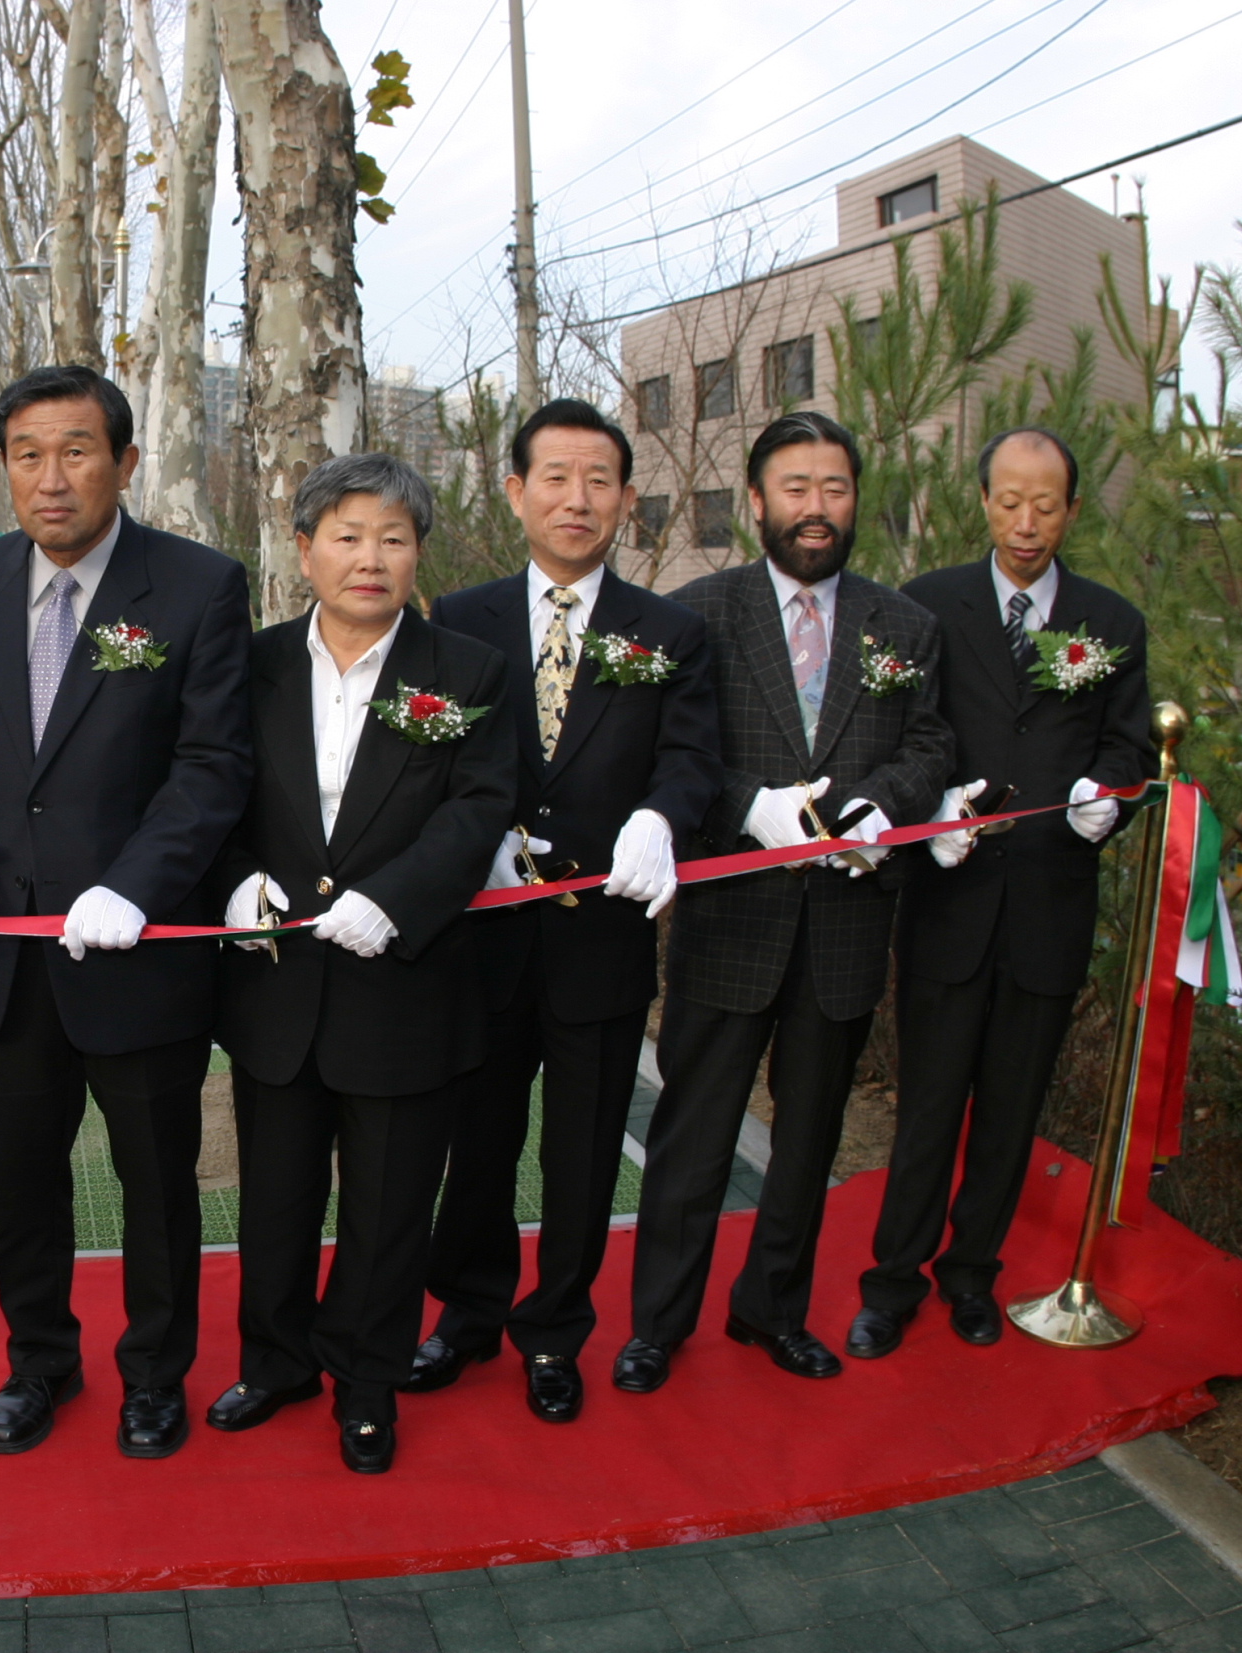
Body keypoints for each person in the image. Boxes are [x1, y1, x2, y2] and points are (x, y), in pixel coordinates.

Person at [0, 364, 253, 1459]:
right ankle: (39, 1363)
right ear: (4, 466)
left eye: (75, 451)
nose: (50, 478)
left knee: (154, 1182)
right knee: (19, 1179)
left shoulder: (197, 586)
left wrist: (134, 883)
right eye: (27, 454)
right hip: (8, 953)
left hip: (138, 953)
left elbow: (211, 766)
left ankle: (154, 1374)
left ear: (125, 461)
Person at [619, 412, 951, 1391]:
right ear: (757, 501)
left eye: (834, 489)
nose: (816, 508)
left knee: (807, 1137)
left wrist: (882, 803)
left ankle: (772, 1308)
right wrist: (743, 806)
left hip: (844, 926)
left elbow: (929, 743)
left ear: (855, 502)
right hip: (731, 922)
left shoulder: (903, 626)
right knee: (692, 1136)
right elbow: (668, 751)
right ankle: (656, 1324)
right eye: (796, 489)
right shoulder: (695, 615)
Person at [411, 400, 722, 1423]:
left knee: (583, 1152)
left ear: (626, 500)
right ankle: (466, 1314)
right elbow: (434, 754)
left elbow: (691, 759)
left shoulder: (669, 632)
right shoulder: (458, 618)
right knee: (478, 1140)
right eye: (554, 476)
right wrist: (473, 841)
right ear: (515, 492)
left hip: (601, 937)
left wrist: (660, 819)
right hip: (484, 934)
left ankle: (554, 1331)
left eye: (597, 480)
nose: (575, 499)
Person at [208, 453, 516, 1474]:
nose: (369, 558)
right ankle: (276, 1361)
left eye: (392, 537)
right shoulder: (248, 664)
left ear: (418, 552)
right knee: (276, 1198)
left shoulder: (466, 670)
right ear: (304, 551)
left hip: (406, 983)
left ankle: (368, 1383)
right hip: (277, 989)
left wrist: (397, 900)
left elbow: (479, 807)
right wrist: (235, 884)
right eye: (346, 536)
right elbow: (211, 792)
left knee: (387, 1209)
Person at [849, 428, 1151, 1359]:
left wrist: (1110, 799)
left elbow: (1129, 746)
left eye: (1045, 506)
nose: (1026, 523)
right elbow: (898, 730)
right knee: (928, 1105)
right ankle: (892, 1281)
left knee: (1013, 1109)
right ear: (983, 500)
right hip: (951, 897)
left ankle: (972, 1274)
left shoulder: (1111, 621)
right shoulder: (927, 604)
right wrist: (928, 808)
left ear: (1072, 510)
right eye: (1010, 502)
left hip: (1050, 901)